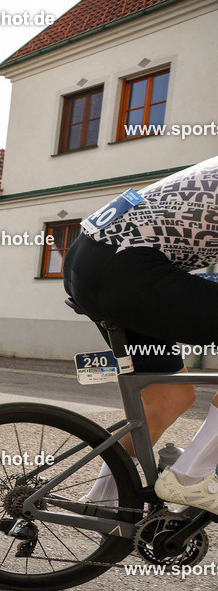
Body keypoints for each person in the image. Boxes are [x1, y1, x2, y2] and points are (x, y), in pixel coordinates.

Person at [63, 154, 218, 512]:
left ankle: (103, 503)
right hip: (125, 268)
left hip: (95, 259)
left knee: (169, 400)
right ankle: (192, 477)